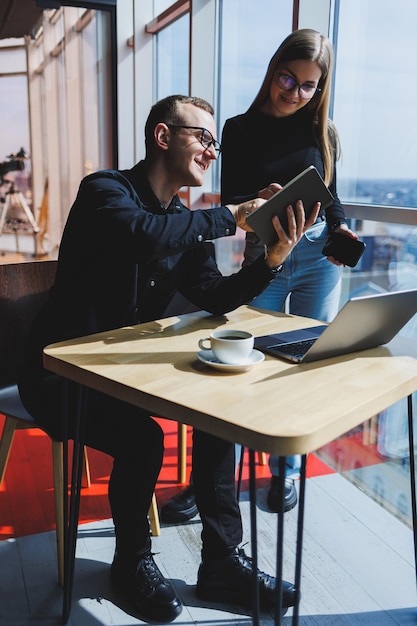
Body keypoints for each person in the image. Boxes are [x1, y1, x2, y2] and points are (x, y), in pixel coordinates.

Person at [18, 95, 319, 623]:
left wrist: (270, 260)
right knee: (144, 437)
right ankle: (131, 561)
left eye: (214, 143)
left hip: (123, 374)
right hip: (56, 375)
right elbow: (141, 236)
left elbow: (216, 296)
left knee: (220, 412)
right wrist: (228, 216)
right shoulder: (105, 191)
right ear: (163, 136)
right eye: (203, 137)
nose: (211, 151)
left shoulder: (183, 220)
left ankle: (222, 562)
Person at [161, 29, 359, 523]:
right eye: (288, 79)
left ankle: (285, 471)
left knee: (304, 364)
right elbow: (235, 200)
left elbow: (327, 196)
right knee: (242, 368)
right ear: (274, 70)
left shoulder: (323, 130)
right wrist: (263, 197)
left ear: (321, 88)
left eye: (309, 86)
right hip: (263, 257)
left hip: (315, 262)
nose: (295, 93)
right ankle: (208, 480)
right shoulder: (237, 127)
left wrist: (341, 229)